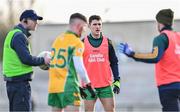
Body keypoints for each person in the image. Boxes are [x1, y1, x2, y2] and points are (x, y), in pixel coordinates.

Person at [119, 9, 180, 111]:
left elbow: (155, 57)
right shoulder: (178, 36)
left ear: (159, 23)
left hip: (168, 86)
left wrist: (132, 54)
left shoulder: (161, 38)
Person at [2, 9, 50, 111]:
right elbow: (26, 59)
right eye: (34, 20)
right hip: (19, 84)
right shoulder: (19, 36)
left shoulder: (14, 34)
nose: (36, 22)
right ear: (25, 20)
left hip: (14, 84)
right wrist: (43, 60)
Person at [48, 13, 95, 112]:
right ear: (79, 26)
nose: (84, 31)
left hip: (54, 86)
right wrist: (89, 84)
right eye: (84, 27)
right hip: (68, 86)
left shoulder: (57, 40)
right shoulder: (77, 42)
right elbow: (79, 67)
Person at [82, 15, 120, 112]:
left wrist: (117, 80)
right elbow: (77, 65)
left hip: (106, 86)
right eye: (94, 24)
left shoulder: (108, 42)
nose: (97, 26)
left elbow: (114, 63)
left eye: (99, 24)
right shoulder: (82, 43)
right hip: (88, 86)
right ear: (89, 26)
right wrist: (78, 84)